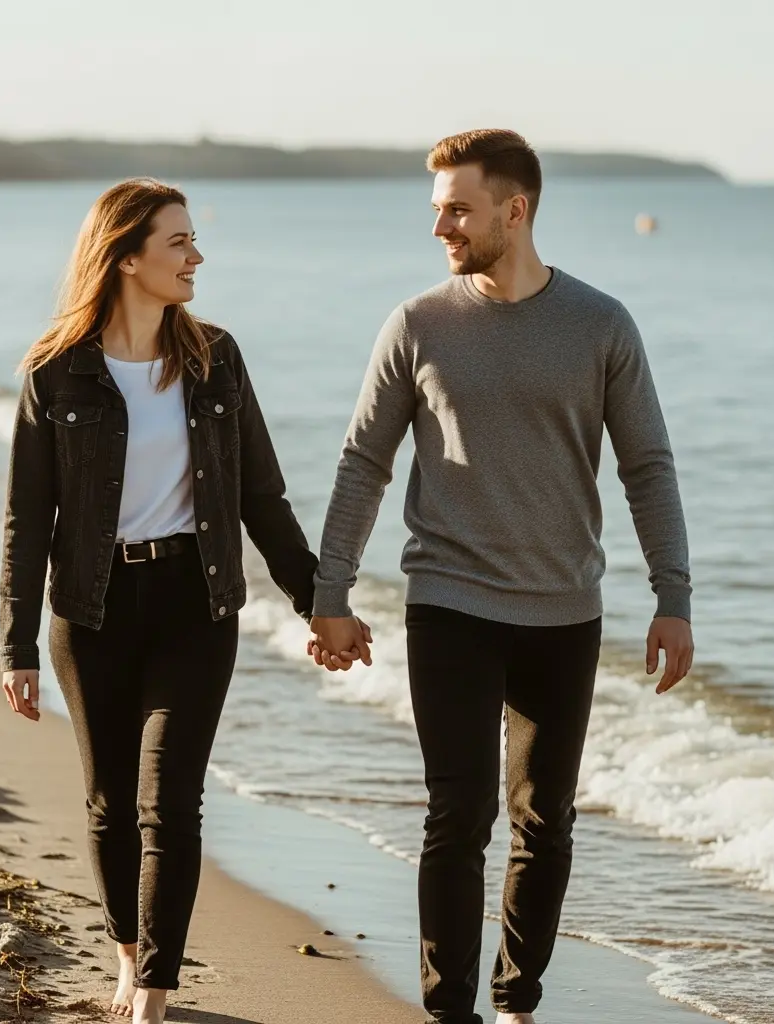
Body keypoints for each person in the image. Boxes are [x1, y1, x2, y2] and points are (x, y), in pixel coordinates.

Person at [309, 130, 694, 1024]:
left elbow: (649, 466)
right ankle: (449, 1013)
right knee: (458, 815)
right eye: (437, 208)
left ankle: (517, 1003)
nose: (441, 225)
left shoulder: (602, 325)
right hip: (449, 602)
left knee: (545, 818)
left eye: (457, 209)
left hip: (565, 611)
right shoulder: (417, 323)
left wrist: (672, 597)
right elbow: (363, 461)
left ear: (513, 211)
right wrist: (331, 594)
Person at [0, 178, 326, 1024]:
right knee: (110, 801)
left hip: (195, 603)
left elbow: (262, 496)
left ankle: (154, 991)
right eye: (179, 242)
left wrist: (317, 600)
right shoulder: (56, 370)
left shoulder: (215, 356)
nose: (196, 256)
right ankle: (127, 956)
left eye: (192, 240)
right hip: (92, 608)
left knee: (170, 799)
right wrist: (16, 646)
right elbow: (27, 520)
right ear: (127, 254)